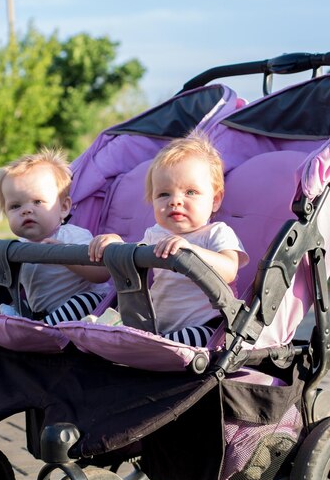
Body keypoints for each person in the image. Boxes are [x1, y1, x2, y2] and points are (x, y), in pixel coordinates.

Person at [88, 133, 249, 346]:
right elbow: (134, 260)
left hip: (208, 325)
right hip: (159, 324)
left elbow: (229, 268)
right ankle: (129, 339)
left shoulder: (216, 232)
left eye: (190, 192)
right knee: (122, 328)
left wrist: (189, 252)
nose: (175, 202)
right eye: (164, 194)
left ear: (215, 200)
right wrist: (115, 245)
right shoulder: (155, 234)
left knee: (195, 338)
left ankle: (151, 345)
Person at [0, 148, 109, 324]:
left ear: (64, 207)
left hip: (90, 313)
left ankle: (34, 329)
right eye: (15, 206)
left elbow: (102, 273)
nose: (26, 210)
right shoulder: (19, 249)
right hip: (44, 313)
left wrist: (64, 255)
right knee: (15, 303)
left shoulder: (73, 236)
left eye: (37, 202)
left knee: (88, 300)